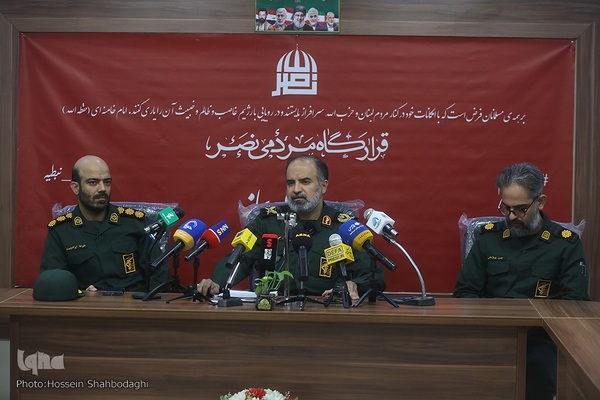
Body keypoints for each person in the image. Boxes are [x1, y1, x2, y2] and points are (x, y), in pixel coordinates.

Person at [453, 162, 589, 400]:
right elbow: (465, 292)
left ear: (540, 202)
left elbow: (574, 304)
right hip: (492, 334)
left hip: (542, 339)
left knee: (540, 372)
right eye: (505, 208)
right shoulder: (487, 238)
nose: (511, 216)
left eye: (520, 209)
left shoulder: (565, 244)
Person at [197, 155, 385, 299]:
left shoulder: (343, 226)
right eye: (290, 183)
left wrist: (354, 286)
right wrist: (217, 283)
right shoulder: (267, 221)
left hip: (326, 312)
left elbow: (373, 277)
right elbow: (240, 259)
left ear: (323, 186)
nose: (296, 190)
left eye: (305, 182)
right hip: (272, 311)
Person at [39, 155, 168, 293]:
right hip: (86, 304)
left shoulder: (133, 224)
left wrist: (147, 301)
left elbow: (159, 273)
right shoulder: (61, 232)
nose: (102, 189)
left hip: (133, 302)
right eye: (93, 182)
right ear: (76, 187)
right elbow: (52, 282)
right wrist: (79, 293)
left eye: (107, 182)